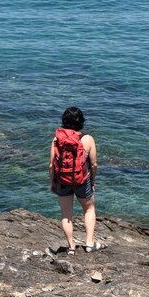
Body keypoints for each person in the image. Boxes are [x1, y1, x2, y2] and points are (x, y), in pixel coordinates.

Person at [49, 106, 104, 255]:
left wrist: (52, 183)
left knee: (66, 214)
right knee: (89, 209)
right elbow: (94, 165)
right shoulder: (87, 139)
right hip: (82, 180)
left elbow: (51, 165)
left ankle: (71, 247)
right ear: (81, 121)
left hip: (62, 180)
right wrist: (92, 182)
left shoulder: (56, 139)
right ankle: (89, 244)